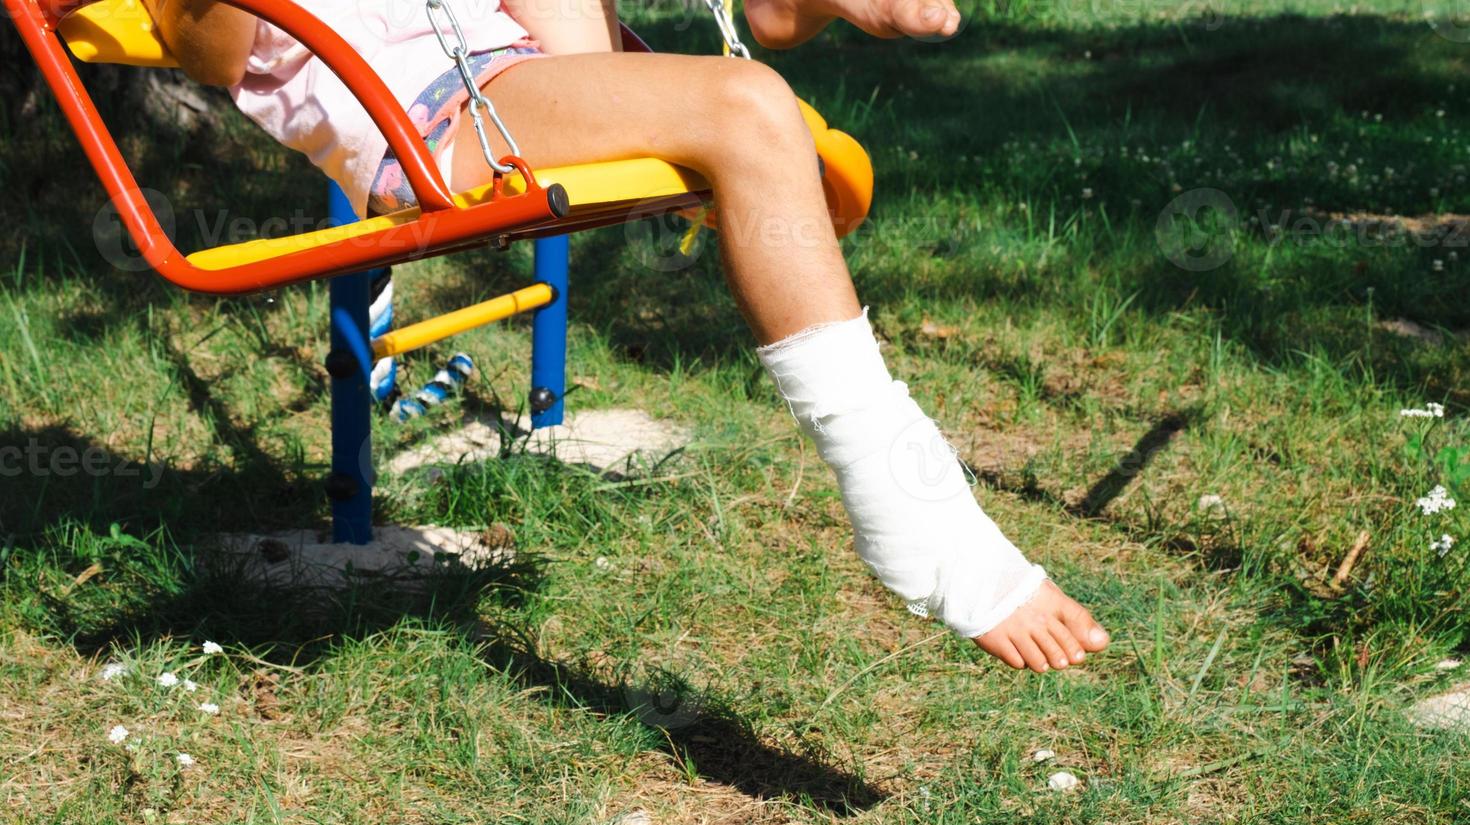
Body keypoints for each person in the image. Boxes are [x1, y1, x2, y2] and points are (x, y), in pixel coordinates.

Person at [143, 0, 1110, 672]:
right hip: (428, 117)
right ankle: (918, 516)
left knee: (752, 111)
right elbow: (214, 50)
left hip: (528, 64)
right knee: (750, 110)